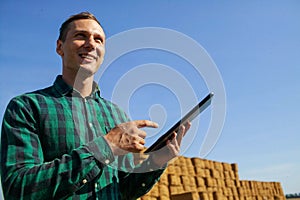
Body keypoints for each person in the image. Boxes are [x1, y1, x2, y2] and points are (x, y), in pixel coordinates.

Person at [0, 12, 191, 200]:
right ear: (60, 47)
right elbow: (18, 188)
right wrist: (106, 146)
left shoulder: (117, 115)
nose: (91, 44)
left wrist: (156, 161)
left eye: (98, 39)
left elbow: (124, 190)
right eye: (80, 36)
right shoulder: (26, 107)